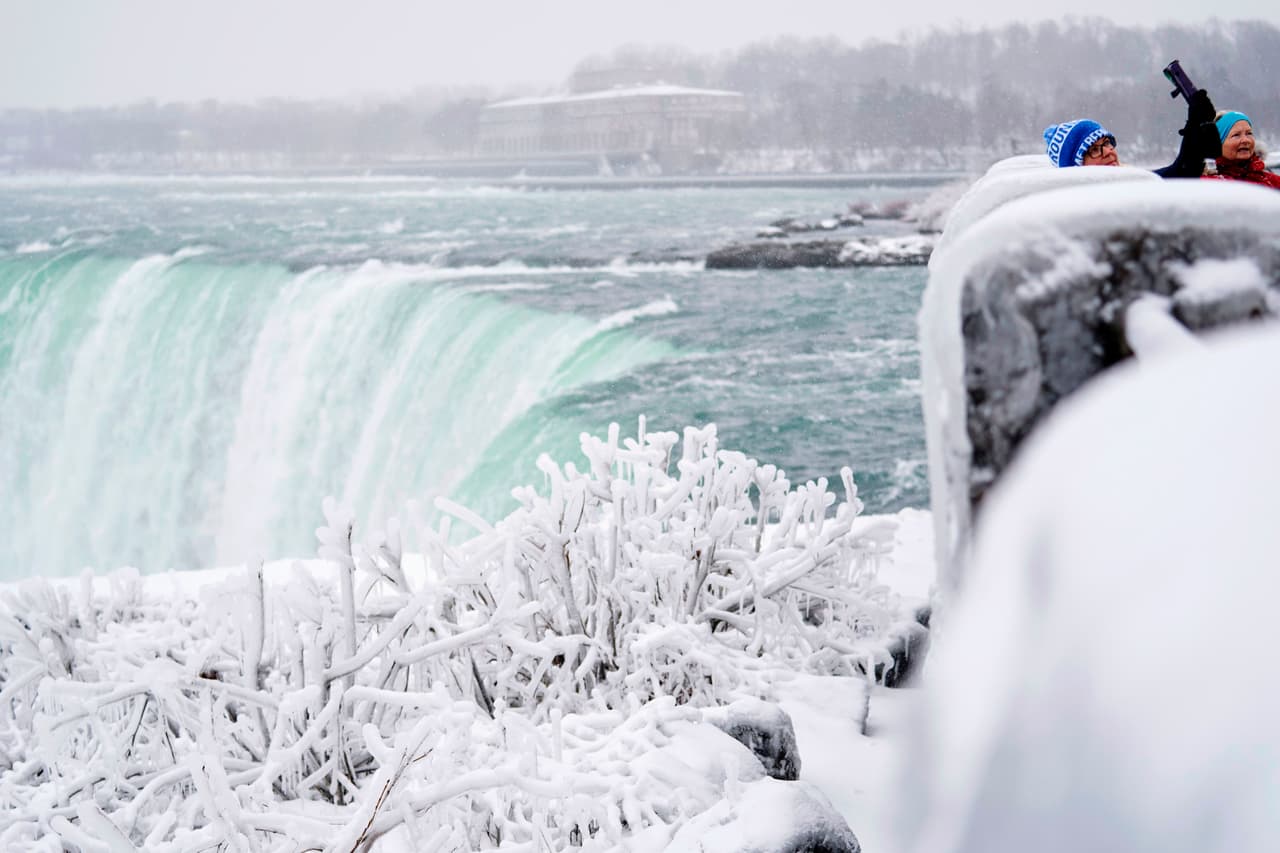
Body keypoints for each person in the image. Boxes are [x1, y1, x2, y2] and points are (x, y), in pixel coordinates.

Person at [1042, 89, 1220, 178]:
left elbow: (1176, 175)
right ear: (1076, 168)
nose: (1108, 152)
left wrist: (1194, 127)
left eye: (1107, 143)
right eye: (1094, 150)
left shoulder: (1128, 181)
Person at [1204, 110, 1280, 189]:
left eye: (1249, 133)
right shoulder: (1207, 185)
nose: (1245, 140)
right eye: (1236, 135)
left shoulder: (1272, 182)